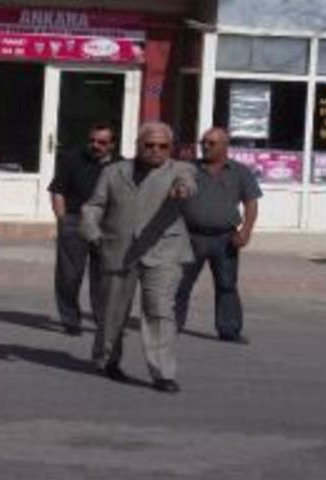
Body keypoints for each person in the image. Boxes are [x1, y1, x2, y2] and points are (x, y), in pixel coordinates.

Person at [80, 122, 197, 393]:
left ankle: (162, 372)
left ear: (171, 148)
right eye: (149, 145)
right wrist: (92, 231)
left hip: (163, 251)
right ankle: (107, 359)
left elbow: (188, 185)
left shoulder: (181, 170)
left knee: (159, 310)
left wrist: (181, 191)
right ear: (138, 145)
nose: (156, 150)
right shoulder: (113, 171)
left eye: (163, 146)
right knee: (112, 312)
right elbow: (95, 205)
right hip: (118, 249)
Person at [174, 127, 262, 343]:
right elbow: (172, 196)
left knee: (226, 285)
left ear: (225, 146)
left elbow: (251, 202)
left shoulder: (240, 171)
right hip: (191, 237)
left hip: (225, 239)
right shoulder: (188, 169)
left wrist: (246, 231)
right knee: (180, 283)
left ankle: (229, 330)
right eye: (203, 142)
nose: (205, 146)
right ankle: (171, 324)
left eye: (212, 143)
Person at [48, 123, 121, 336]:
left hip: (106, 226)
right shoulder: (72, 159)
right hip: (75, 222)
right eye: (92, 141)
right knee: (69, 276)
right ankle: (70, 320)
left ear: (112, 145)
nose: (95, 145)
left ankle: (103, 321)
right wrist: (62, 220)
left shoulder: (121, 165)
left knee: (104, 278)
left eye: (102, 142)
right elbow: (57, 191)